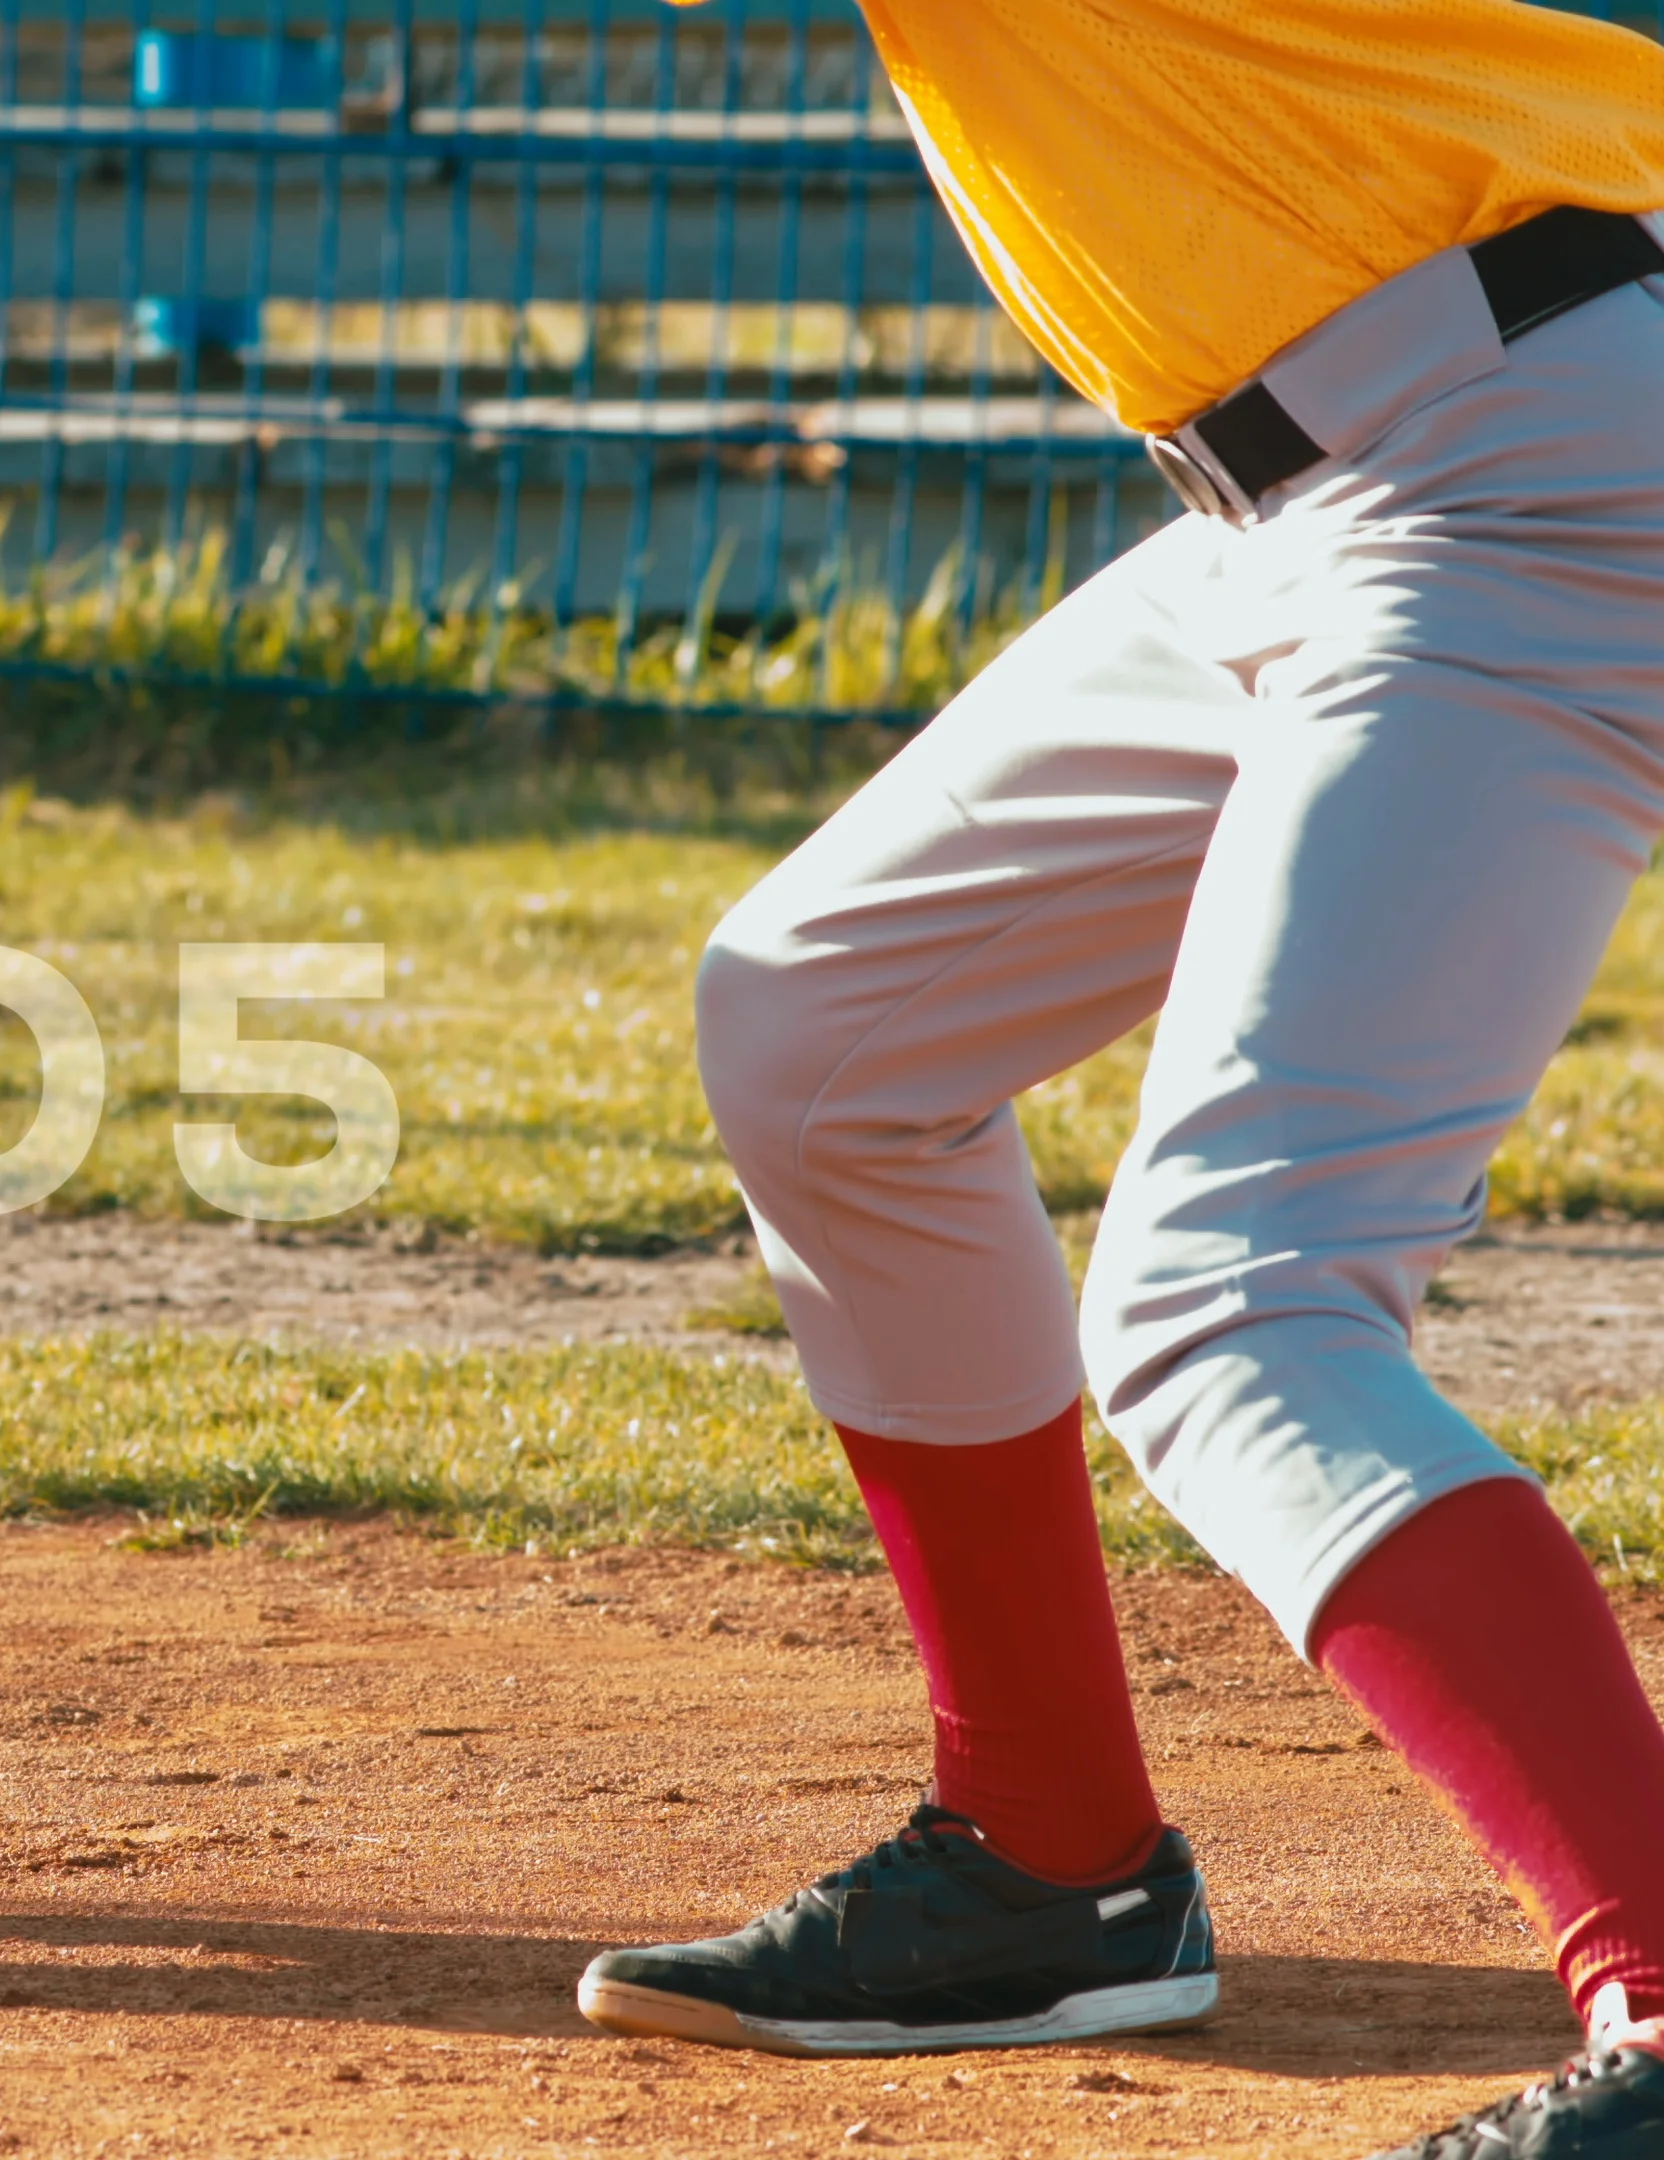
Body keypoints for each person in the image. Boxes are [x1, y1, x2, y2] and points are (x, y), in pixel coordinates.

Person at [570, 0, 1664, 2149]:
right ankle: (1048, 1855)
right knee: (816, 1026)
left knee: (1224, 1301)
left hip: (1513, 464)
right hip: (1307, 488)